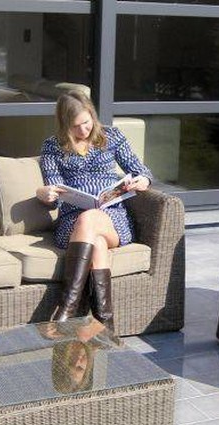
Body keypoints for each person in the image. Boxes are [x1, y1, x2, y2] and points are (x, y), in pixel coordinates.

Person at [36, 91, 153, 332]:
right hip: (72, 223)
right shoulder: (52, 147)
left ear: (92, 114)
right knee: (96, 240)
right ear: (64, 125)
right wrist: (45, 194)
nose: (83, 130)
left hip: (113, 218)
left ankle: (66, 308)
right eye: (75, 126)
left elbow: (141, 171)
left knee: (91, 219)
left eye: (86, 122)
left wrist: (143, 181)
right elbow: (55, 196)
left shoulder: (112, 136)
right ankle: (104, 324)